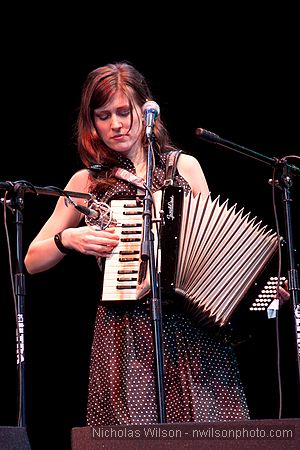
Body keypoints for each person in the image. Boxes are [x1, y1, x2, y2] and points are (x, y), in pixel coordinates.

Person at [24, 61, 252, 425]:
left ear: (145, 110)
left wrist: (261, 289)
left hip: (192, 333)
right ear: (92, 123)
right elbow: (32, 260)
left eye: (123, 112)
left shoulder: (184, 168)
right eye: (103, 116)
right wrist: (68, 239)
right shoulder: (86, 182)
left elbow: (215, 248)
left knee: (209, 436)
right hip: (126, 336)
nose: (115, 124)